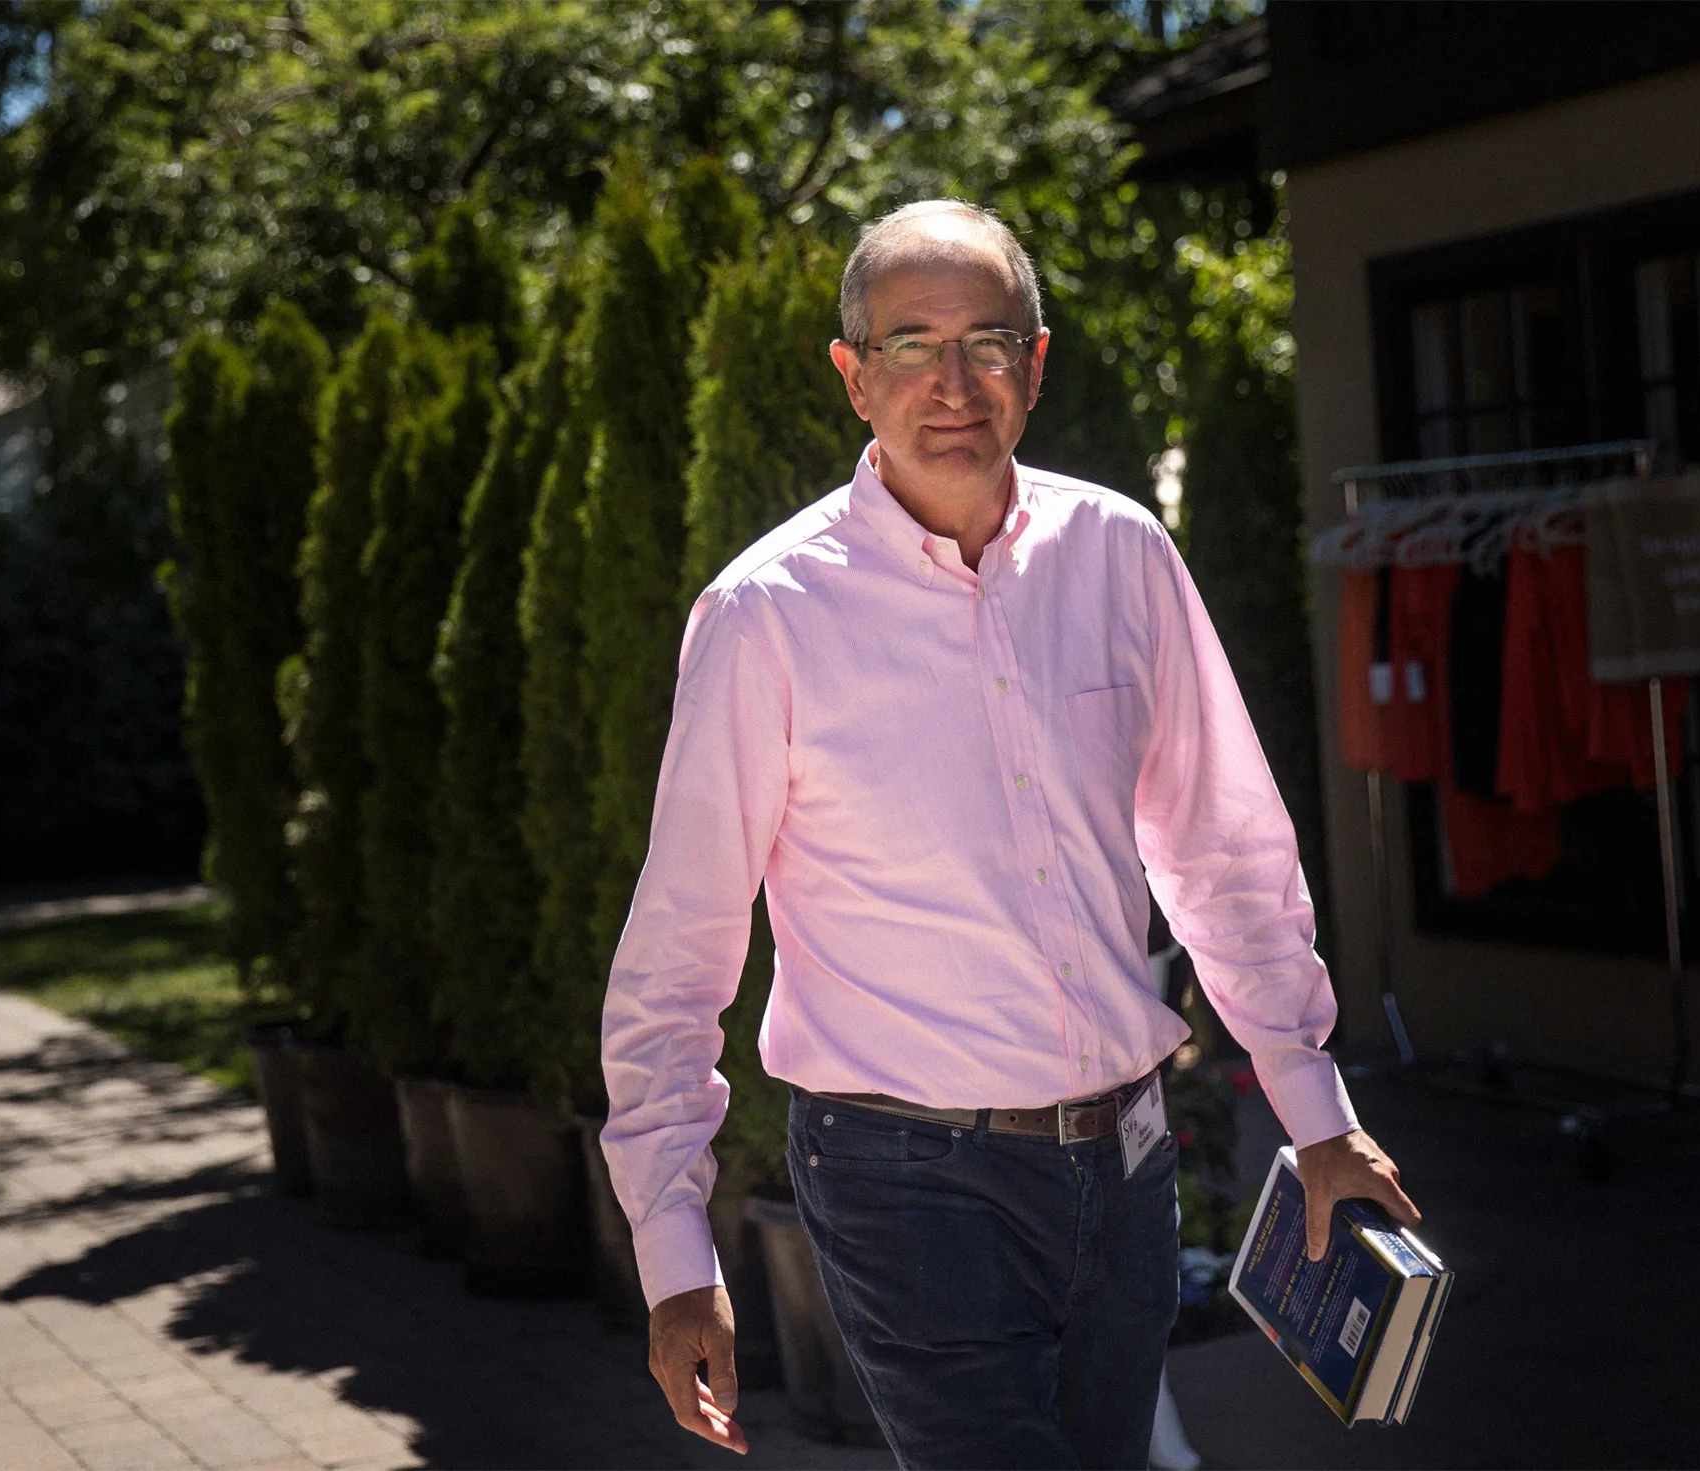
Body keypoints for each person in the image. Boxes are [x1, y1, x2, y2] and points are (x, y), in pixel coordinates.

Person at [600, 200, 1421, 1468]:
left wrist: (1316, 1107)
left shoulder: (1121, 553)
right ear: (853, 377)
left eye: (989, 340)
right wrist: (673, 1250)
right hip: (905, 1181)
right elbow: (681, 946)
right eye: (912, 344)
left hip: (1125, 1168)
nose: (954, 382)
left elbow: (1222, 850)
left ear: (1036, 363)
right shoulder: (763, 615)